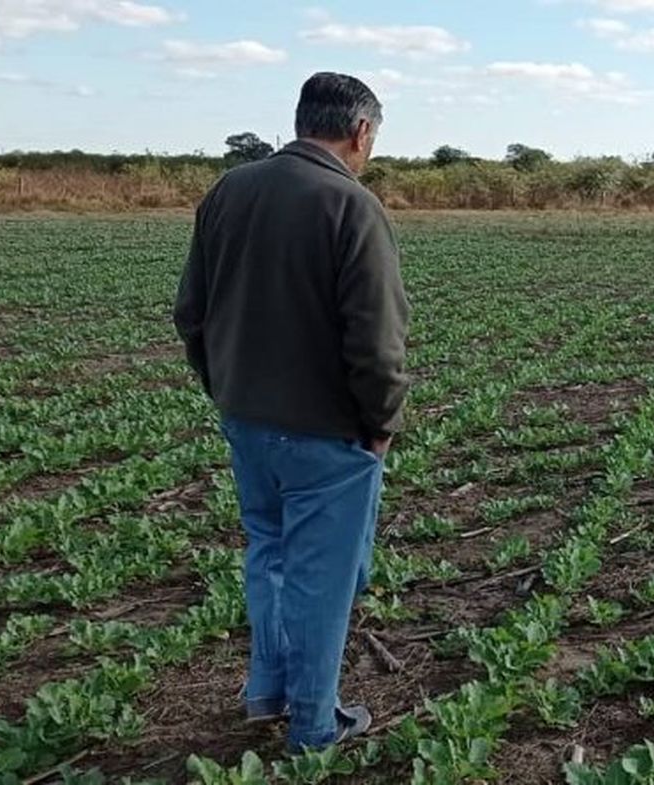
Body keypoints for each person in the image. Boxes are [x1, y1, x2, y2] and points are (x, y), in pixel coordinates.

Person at [172, 72, 411, 751]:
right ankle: (313, 722)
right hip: (327, 433)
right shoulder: (350, 204)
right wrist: (381, 425)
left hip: (247, 419)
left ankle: (267, 689)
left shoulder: (229, 190)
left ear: (302, 119)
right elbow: (376, 343)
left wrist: (226, 390)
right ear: (360, 131)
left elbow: (191, 311)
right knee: (324, 576)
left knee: (270, 554)